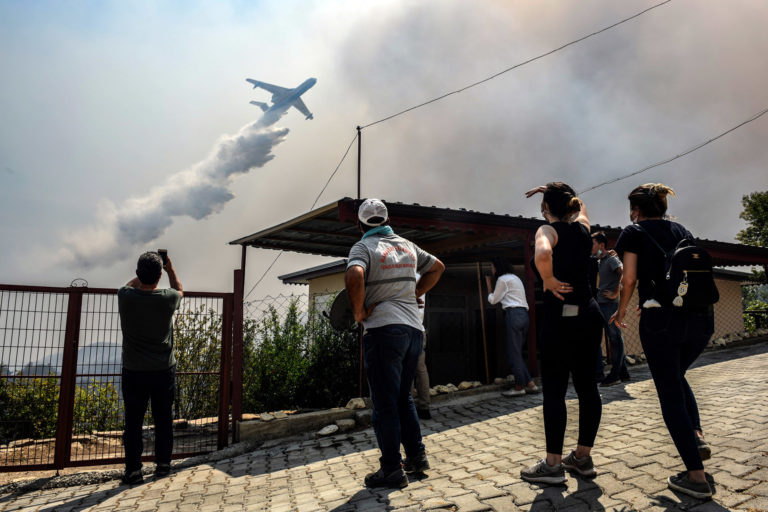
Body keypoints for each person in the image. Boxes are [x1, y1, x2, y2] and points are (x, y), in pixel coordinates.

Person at [610, 183, 715, 499]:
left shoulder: (634, 231)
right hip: (700, 319)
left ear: (636, 209)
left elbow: (629, 278)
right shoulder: (682, 229)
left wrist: (620, 310)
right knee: (675, 377)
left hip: (661, 321)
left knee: (669, 394)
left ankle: (696, 478)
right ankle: (694, 435)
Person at [345, 198, 445, 489]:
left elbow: (354, 273)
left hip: (384, 332)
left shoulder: (362, 248)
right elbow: (437, 267)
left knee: (385, 403)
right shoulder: (407, 246)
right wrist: (415, 291)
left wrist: (359, 312)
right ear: (388, 220)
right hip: (414, 331)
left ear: (360, 224)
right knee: (404, 398)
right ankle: (416, 457)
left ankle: (391, 469)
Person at [521, 183, 603, 484]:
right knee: (587, 387)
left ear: (545, 209)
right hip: (590, 314)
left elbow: (543, 254)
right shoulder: (583, 228)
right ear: (572, 205)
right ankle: (582, 458)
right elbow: (582, 209)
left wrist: (549, 279)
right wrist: (557, 188)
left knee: (555, 389)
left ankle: (553, 466)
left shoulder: (547, 231)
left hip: (561, 318)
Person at [118, 251, 183, 485]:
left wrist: (144, 275)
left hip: (133, 370)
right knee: (164, 418)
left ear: (137, 273)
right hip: (163, 370)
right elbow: (179, 289)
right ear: (159, 275)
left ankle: (134, 470)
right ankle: (163, 466)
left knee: (133, 422)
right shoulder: (167, 298)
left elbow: (131, 285)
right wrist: (169, 268)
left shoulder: (125, 296)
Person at [485, 257, 538, 396]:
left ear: (497, 267)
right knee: (517, 353)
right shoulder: (515, 278)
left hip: (513, 314)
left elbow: (493, 300)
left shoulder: (502, 280)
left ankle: (519, 387)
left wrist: (489, 286)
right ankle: (530, 384)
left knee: (513, 353)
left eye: (492, 267)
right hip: (523, 315)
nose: (492, 270)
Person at [591, 232, 630, 386]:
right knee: (612, 336)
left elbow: (625, 274)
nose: (591, 247)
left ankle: (615, 375)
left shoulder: (611, 259)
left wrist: (615, 293)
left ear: (601, 245)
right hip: (601, 304)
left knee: (615, 337)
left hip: (609, 305)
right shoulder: (600, 260)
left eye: (593, 244)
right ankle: (624, 372)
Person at [411, 283, 432, 420]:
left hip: (407, 328)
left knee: (405, 370)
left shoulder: (405, 276)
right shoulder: (422, 278)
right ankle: (424, 407)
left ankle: (409, 408)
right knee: (420, 370)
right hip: (420, 328)